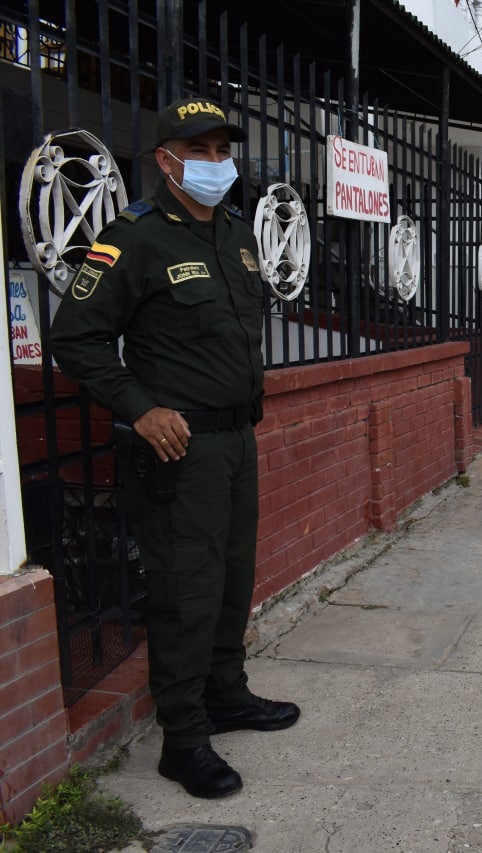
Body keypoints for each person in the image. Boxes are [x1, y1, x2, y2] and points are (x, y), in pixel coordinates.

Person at [48, 97, 299, 800]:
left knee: (230, 578)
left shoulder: (235, 234)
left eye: (224, 152)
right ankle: (183, 738)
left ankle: (226, 692)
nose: (218, 164)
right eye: (202, 152)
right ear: (165, 160)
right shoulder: (135, 238)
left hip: (235, 441)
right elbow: (76, 337)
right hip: (177, 447)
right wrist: (140, 407)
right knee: (185, 590)